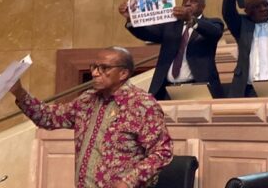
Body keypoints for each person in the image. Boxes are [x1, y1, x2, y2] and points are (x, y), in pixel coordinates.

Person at [9, 47, 172, 187]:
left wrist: (128, 181)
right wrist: (19, 92)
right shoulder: (87, 99)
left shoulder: (141, 104)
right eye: (94, 67)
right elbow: (48, 117)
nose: (94, 73)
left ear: (123, 73)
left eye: (104, 68)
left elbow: (162, 152)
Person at [119, 0, 225, 100]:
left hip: (198, 87)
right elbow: (147, 34)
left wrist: (191, 20)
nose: (188, 3)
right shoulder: (170, 25)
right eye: (185, 0)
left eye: (193, 1)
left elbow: (215, 32)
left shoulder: (213, 23)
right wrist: (131, 19)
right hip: (166, 89)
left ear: (203, 6)